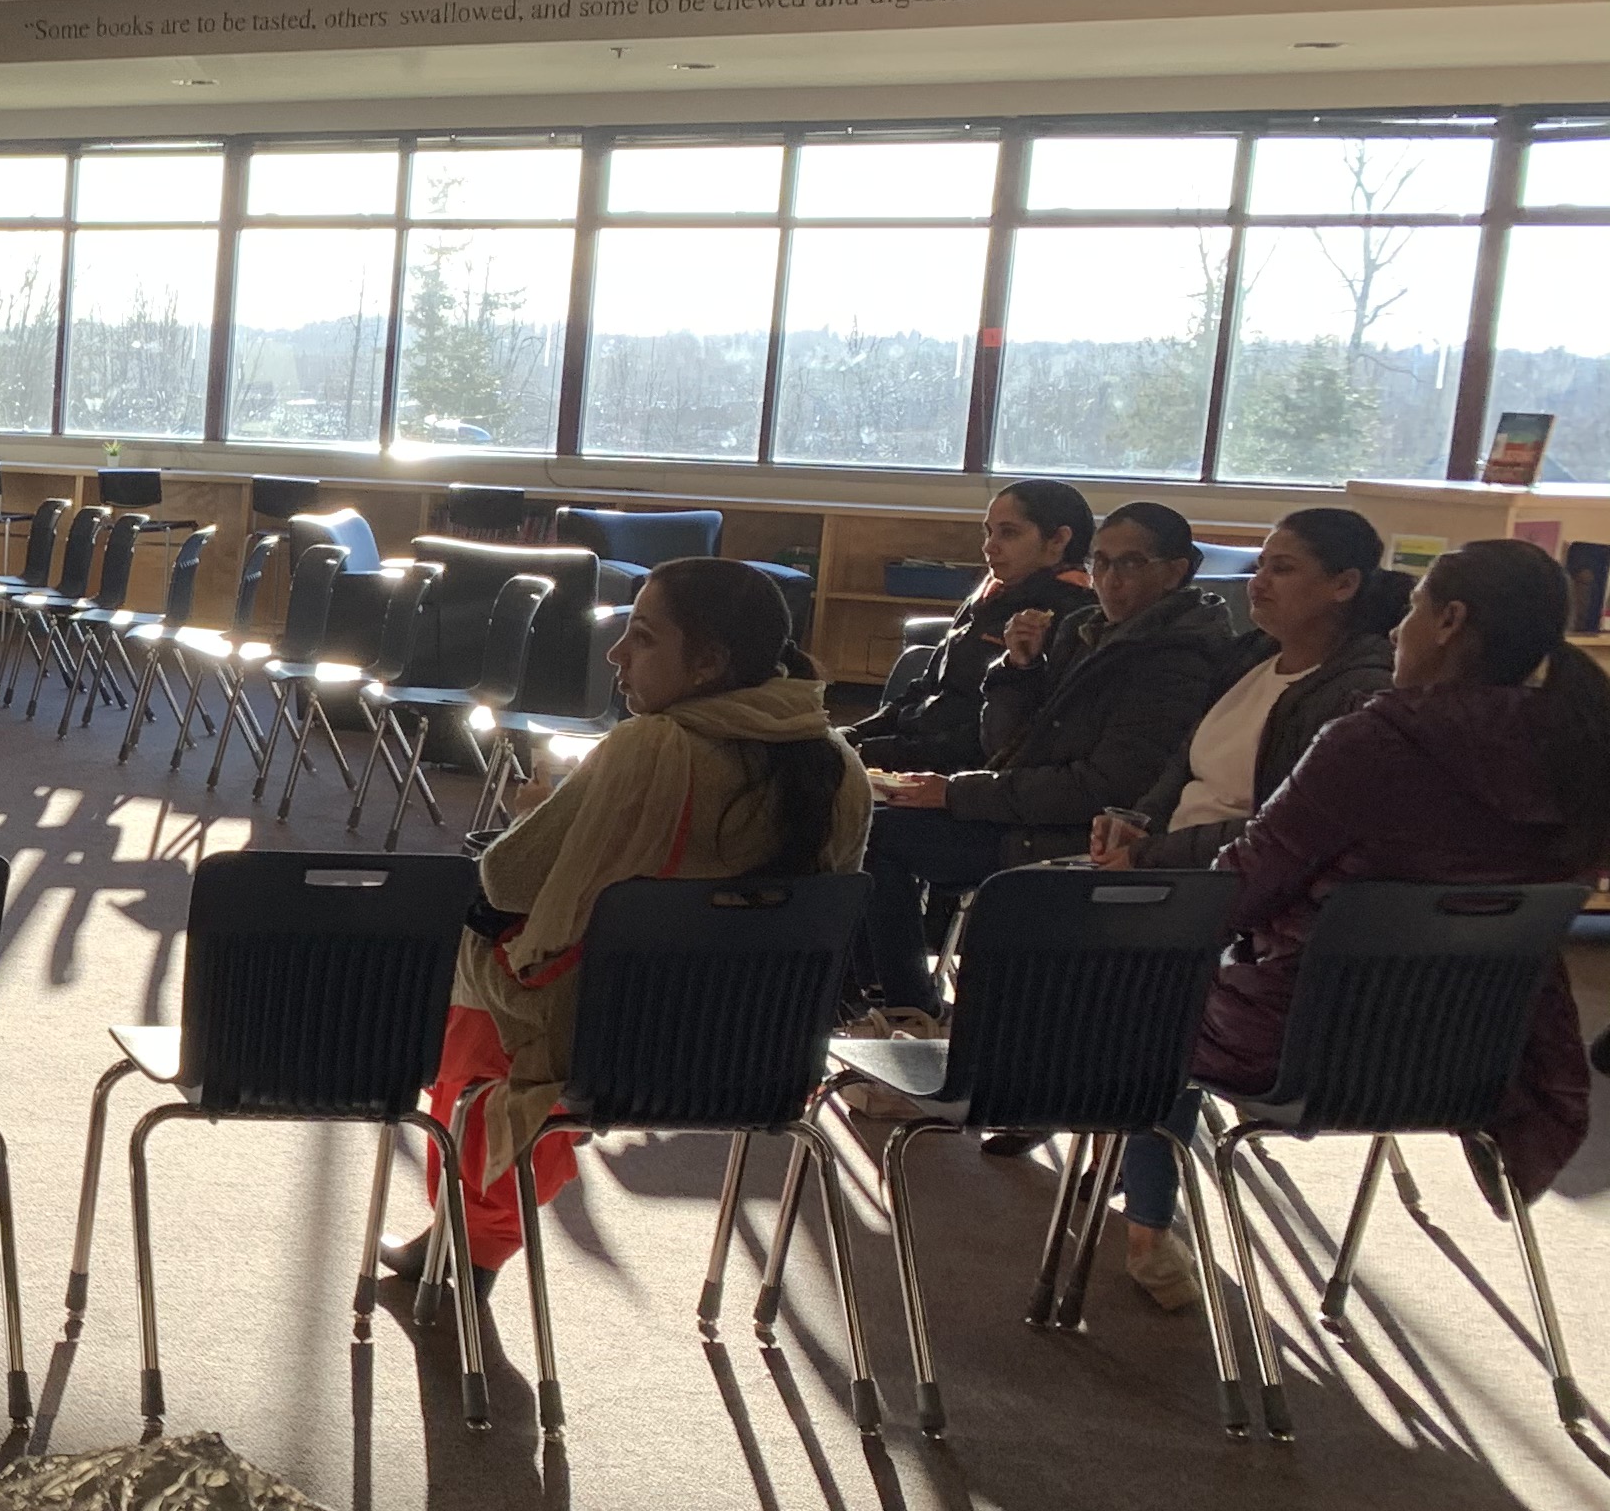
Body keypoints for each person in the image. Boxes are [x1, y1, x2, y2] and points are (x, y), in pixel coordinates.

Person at [1108, 538, 1606, 1298]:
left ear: (1451, 621)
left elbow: (1239, 889)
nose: (1398, 630)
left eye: (1412, 609)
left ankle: (1143, 1223)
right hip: (1482, 1051)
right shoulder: (1581, 748)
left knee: (1144, 990)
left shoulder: (1377, 740)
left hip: (1311, 1040)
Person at [403, 558, 868, 1278]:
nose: (616, 654)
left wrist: (532, 816)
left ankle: (472, 1241)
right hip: (760, 1054)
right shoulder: (840, 765)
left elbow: (508, 878)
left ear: (709, 663)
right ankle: (471, 1241)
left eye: (643, 637)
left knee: (475, 954)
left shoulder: (651, 747)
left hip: (613, 1047)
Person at [856, 500, 1239, 1018]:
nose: (1109, 580)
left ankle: (907, 1004)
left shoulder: (1174, 659)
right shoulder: (1086, 629)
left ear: (1175, 572)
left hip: (1074, 836)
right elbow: (1004, 748)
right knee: (868, 817)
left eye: (1130, 564)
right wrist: (1018, 670)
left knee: (877, 832)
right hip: (1024, 810)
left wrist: (956, 792)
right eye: (1101, 562)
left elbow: (1106, 789)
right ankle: (881, 995)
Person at [1089, 508, 1403, 874]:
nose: (1258, 584)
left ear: (1344, 585)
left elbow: (1286, 826)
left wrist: (1152, 854)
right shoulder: (1247, 658)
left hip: (1230, 880)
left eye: (1281, 570)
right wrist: (1139, 824)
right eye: (1260, 566)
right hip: (1171, 861)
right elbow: (1182, 766)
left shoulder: (1357, 692)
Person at [847, 478, 1094, 776]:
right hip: (915, 747)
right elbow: (926, 688)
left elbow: (1001, 738)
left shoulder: (1072, 619)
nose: (989, 546)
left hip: (961, 774)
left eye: (1008, 533)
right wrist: (854, 734)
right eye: (989, 532)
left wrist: (878, 752)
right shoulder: (990, 595)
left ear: (1058, 540)